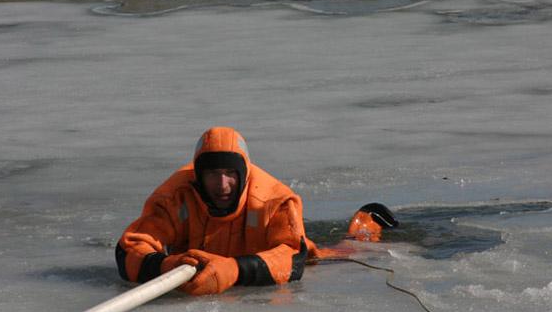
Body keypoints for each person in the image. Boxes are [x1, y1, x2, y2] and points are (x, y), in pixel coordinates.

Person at [115, 126, 397, 295]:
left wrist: (235, 270)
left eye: (229, 174)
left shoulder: (275, 200)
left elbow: (292, 259)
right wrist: (166, 265)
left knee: (341, 252)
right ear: (198, 175)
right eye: (212, 174)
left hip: (280, 254)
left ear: (243, 173)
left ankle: (368, 224)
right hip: (206, 262)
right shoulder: (175, 197)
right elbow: (129, 249)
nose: (222, 185)